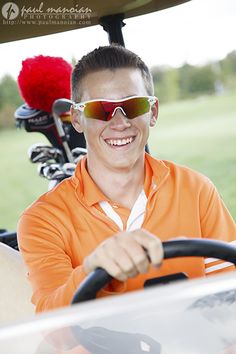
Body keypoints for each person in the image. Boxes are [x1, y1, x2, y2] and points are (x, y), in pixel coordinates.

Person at [17, 45, 236, 313]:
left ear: (152, 112)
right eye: (101, 110)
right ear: (77, 119)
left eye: (133, 106)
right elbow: (57, 333)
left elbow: (228, 298)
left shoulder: (196, 189)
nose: (120, 123)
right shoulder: (42, 220)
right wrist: (90, 269)